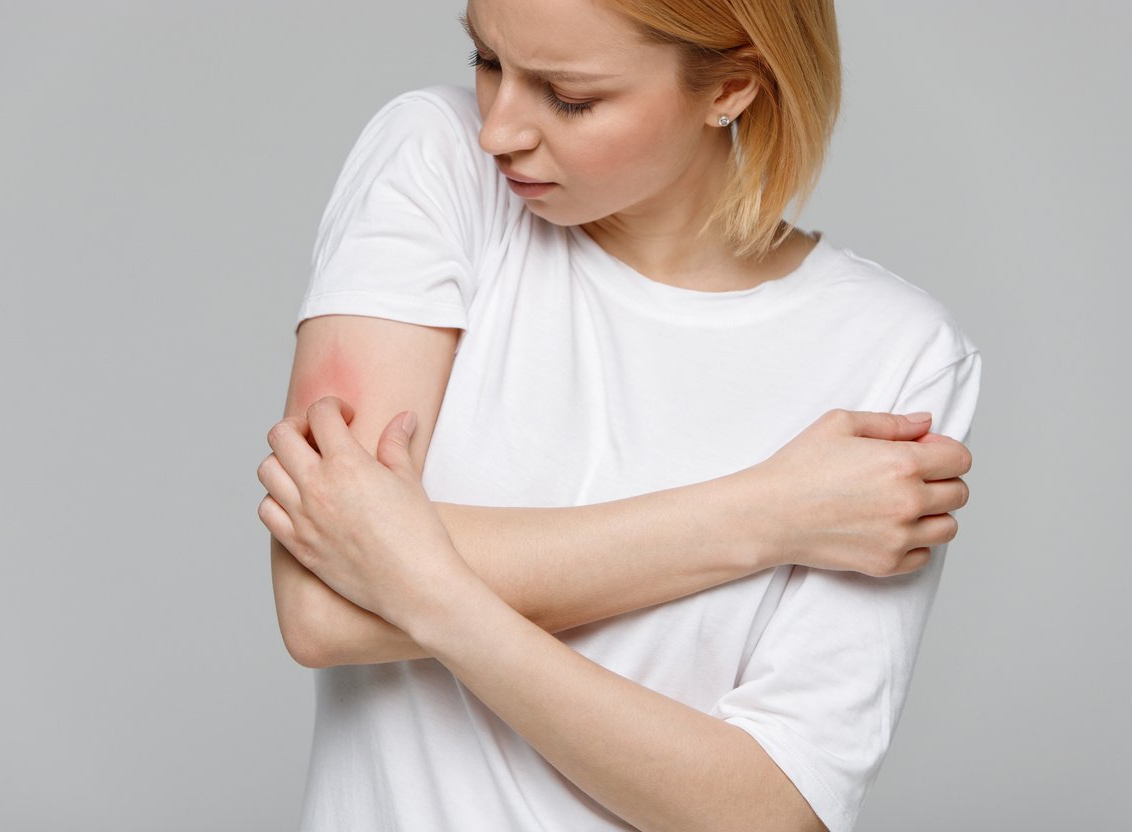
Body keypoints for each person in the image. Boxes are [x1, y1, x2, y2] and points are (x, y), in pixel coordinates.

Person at [257, 0, 980, 829]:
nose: (499, 130)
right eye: (487, 62)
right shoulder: (436, 160)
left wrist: (426, 593)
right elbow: (321, 605)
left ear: (732, 89)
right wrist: (765, 514)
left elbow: (773, 811)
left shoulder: (895, 350)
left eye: (569, 97)